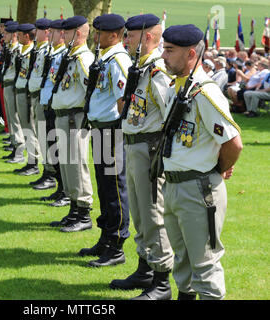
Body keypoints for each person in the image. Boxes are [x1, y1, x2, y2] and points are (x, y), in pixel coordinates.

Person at [160, 24, 243, 300]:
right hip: (173, 186)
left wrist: (215, 169)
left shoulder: (205, 93)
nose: (163, 55)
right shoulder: (178, 88)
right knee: (182, 263)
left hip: (198, 189)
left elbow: (232, 142)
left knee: (204, 265)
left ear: (191, 54)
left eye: (170, 51)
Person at [109, 13, 174, 300]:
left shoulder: (158, 70)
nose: (125, 40)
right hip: (134, 144)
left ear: (147, 36)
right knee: (138, 211)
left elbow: (170, 114)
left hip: (149, 148)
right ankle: (145, 267)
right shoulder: (140, 67)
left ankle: (161, 281)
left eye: (130, 36)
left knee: (152, 214)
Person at [77, 13, 131, 268]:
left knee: (115, 190)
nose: (94, 37)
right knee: (104, 186)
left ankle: (116, 245)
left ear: (113, 35)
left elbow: (123, 100)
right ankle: (105, 238)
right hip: (101, 129)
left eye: (98, 33)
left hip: (112, 131)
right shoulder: (106, 57)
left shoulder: (119, 60)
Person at [48, 16, 94, 231]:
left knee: (76, 165)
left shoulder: (84, 59)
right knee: (67, 165)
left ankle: (83, 212)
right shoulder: (71, 56)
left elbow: (91, 91)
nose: (61, 35)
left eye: (66, 32)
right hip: (64, 116)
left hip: (75, 118)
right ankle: (74, 208)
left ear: (78, 33)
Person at [27, 18, 59, 191]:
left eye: (38, 30)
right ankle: (47, 171)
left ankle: (50, 173)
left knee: (47, 138)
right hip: (39, 96)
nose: (35, 33)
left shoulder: (48, 51)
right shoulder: (41, 50)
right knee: (42, 135)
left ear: (46, 32)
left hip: (45, 98)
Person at [38, 19, 68, 206]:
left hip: (56, 107)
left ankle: (65, 190)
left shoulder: (64, 55)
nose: (50, 35)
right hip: (48, 104)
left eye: (54, 32)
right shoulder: (53, 53)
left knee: (59, 151)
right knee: (52, 147)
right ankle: (60, 187)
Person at [13, 23, 41, 176]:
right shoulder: (24, 51)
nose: (17, 37)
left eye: (20, 34)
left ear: (27, 36)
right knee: (25, 128)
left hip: (27, 93)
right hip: (21, 90)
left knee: (30, 129)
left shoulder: (32, 52)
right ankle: (31, 161)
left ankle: (33, 162)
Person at [1, 21, 26, 164]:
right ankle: (14, 145)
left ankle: (19, 151)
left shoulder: (18, 51)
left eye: (7, 33)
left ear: (14, 35)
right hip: (7, 84)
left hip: (12, 85)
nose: (4, 35)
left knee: (15, 119)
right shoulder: (10, 48)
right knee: (10, 118)